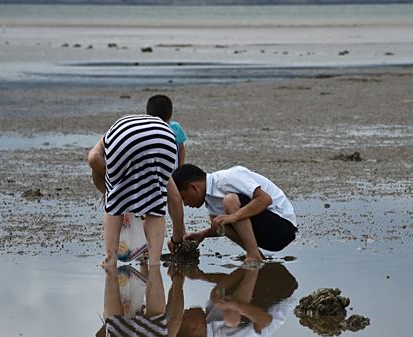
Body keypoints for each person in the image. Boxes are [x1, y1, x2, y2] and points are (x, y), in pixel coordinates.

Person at [97, 110, 185, 268]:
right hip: (165, 138)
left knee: (114, 201)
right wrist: (178, 238)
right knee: (156, 205)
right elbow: (176, 199)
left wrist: (110, 189)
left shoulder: (106, 140)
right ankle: (155, 262)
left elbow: (92, 158)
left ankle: (110, 259)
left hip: (123, 138)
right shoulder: (156, 129)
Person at [171, 164, 297, 264]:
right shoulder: (210, 201)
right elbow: (227, 225)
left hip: (283, 227)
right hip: (267, 237)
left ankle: (253, 256)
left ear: (193, 187)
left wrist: (234, 216)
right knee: (216, 219)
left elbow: (265, 199)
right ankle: (257, 254)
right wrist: (203, 234)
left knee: (230, 201)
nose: (185, 204)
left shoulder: (227, 178)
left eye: (184, 198)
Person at [88, 95, 188, 194]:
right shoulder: (172, 129)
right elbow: (181, 149)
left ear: (148, 114)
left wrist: (180, 167)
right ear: (170, 114)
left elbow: (181, 148)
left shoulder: (145, 128)